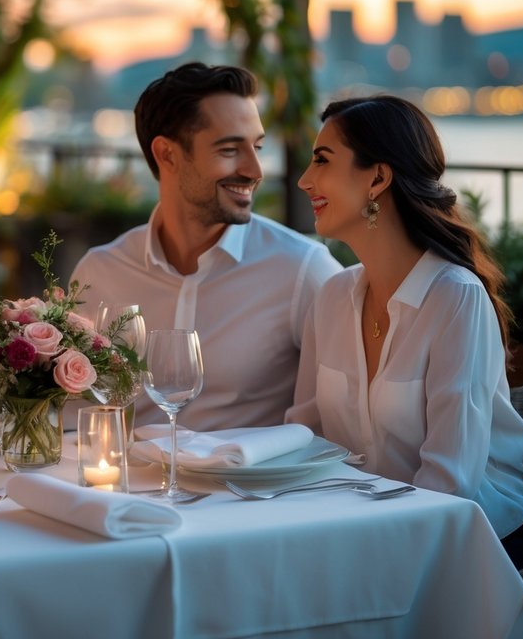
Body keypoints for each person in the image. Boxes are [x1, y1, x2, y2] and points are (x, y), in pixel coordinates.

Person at [285, 95, 523, 564]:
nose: (305, 179)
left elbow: (450, 483)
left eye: (322, 160)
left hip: (475, 545)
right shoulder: (331, 297)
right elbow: (304, 438)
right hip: (358, 530)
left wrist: (359, 548)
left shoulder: (456, 298)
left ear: (377, 179)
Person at [70, 62, 341, 431]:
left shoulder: (303, 269)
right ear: (167, 154)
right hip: (128, 470)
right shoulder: (99, 273)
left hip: (252, 472)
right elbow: (73, 417)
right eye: (230, 150)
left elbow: (335, 428)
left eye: (257, 147)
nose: (255, 170)